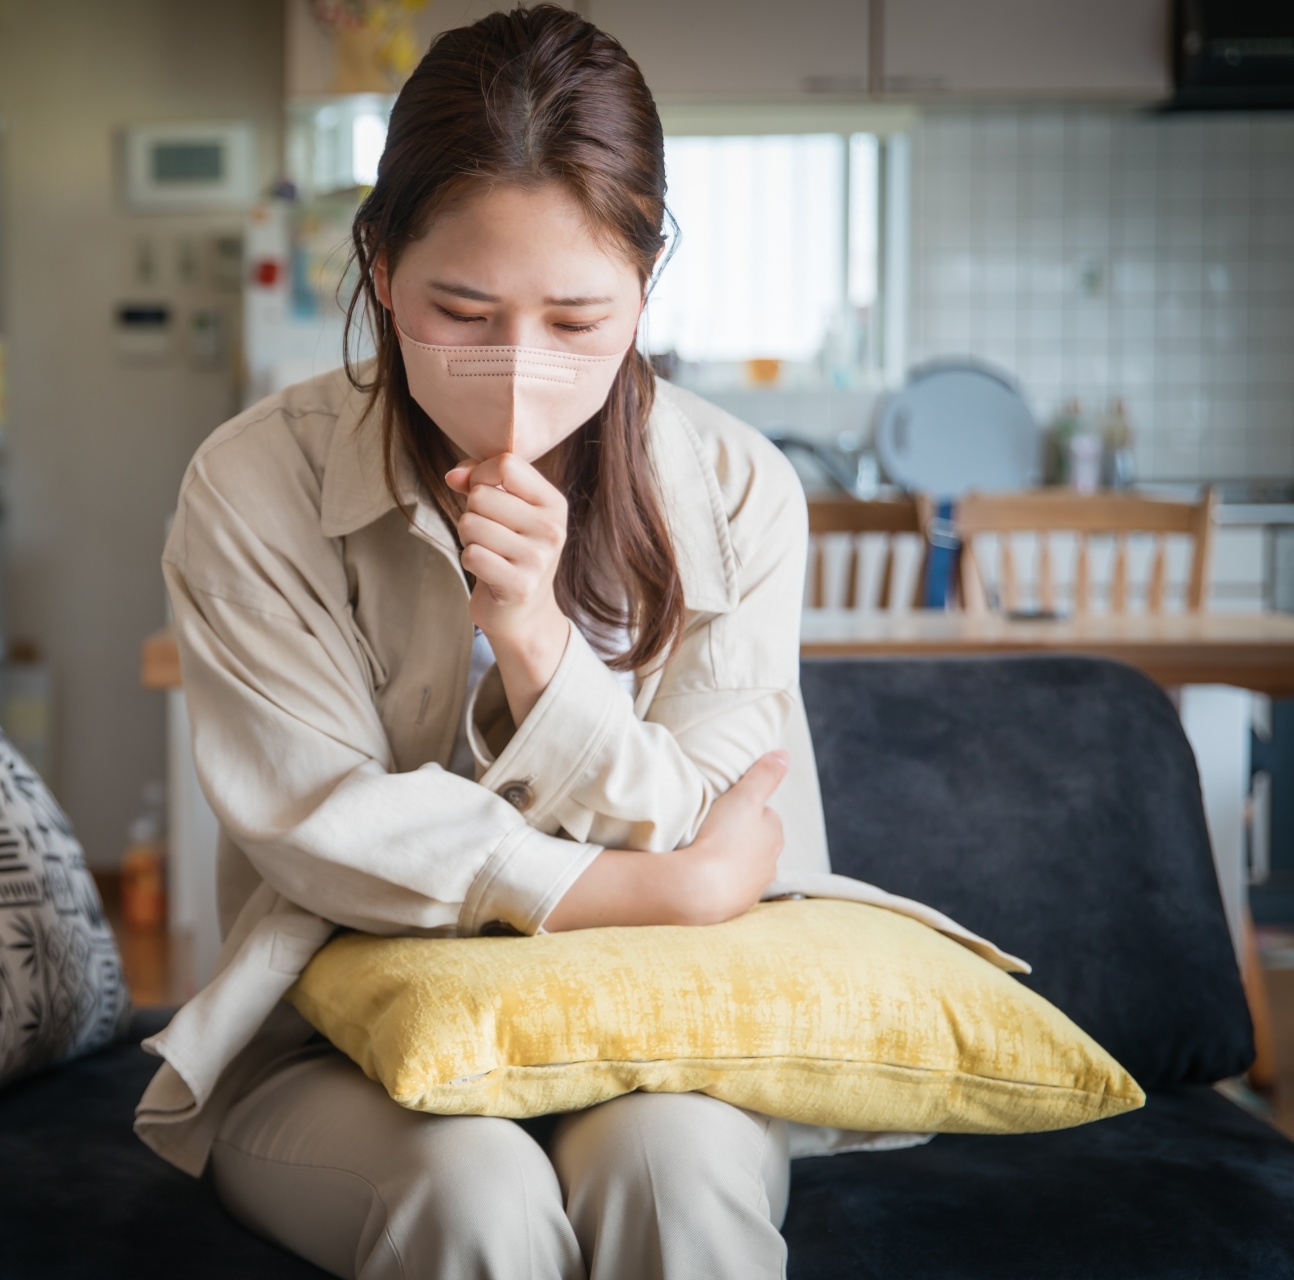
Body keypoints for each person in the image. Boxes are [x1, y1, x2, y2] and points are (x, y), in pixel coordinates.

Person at [134, 7, 966, 1277]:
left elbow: (716, 805)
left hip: (666, 1022)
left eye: (578, 321)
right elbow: (324, 829)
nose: (518, 366)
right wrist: (663, 888)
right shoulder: (252, 485)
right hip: (338, 1046)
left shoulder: (740, 489)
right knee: (473, 1188)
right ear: (379, 267)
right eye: (460, 311)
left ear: (648, 281)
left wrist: (535, 644)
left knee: (675, 1173)